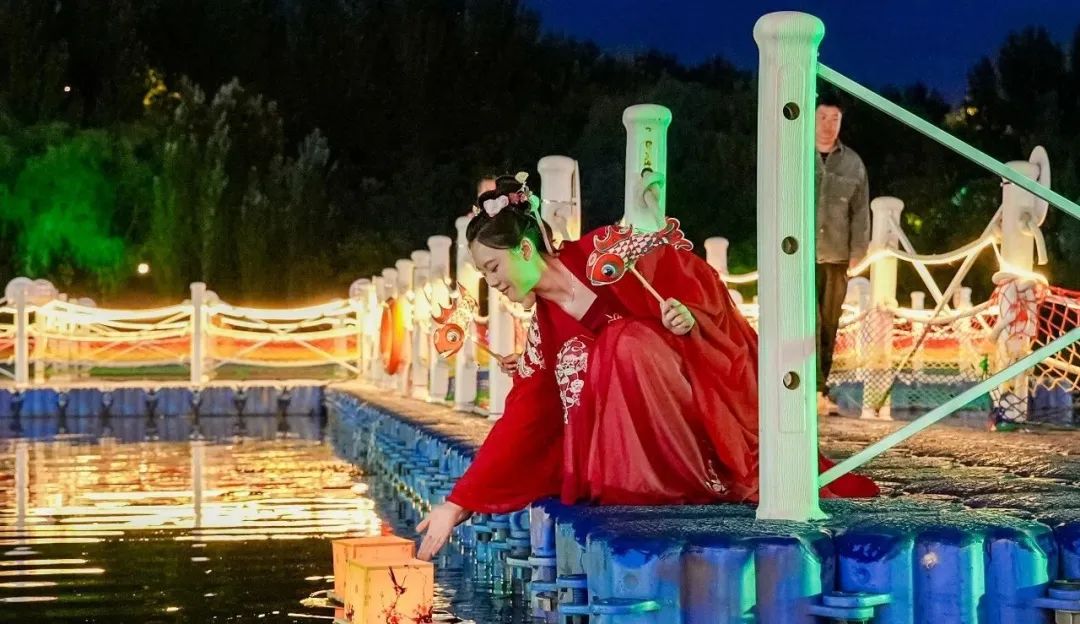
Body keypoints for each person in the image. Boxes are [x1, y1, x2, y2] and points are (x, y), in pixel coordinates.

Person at [415, 176, 879, 561]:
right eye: (485, 274)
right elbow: (524, 418)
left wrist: (687, 317)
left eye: (493, 267)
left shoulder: (604, 254)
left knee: (624, 342)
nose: (492, 283)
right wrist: (458, 503)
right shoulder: (545, 330)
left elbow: (696, 284)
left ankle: (685, 477)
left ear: (523, 249)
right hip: (625, 461)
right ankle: (638, 488)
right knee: (607, 351)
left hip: (695, 410)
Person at [815, 94, 870, 415]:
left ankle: (820, 388)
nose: (828, 125)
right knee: (807, 323)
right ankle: (805, 387)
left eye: (835, 119)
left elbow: (860, 211)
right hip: (801, 255)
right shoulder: (797, 155)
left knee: (829, 325)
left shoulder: (853, 163)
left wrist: (858, 251)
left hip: (836, 257)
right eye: (823, 117)